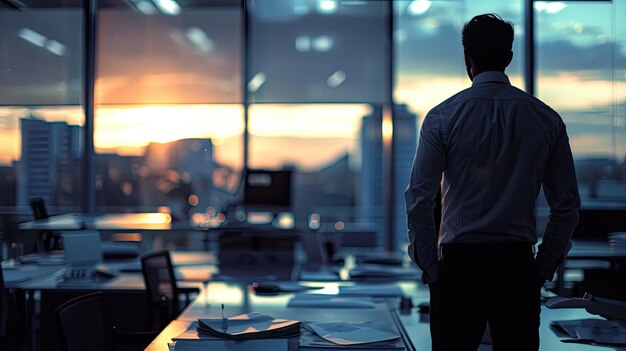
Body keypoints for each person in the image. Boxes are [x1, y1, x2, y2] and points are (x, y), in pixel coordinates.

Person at [404, 13, 580, 351]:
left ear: (467, 59)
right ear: (509, 57)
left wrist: (431, 268)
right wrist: (541, 268)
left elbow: (419, 199)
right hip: (516, 268)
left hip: (458, 267)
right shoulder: (545, 118)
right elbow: (566, 206)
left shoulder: (442, 117)